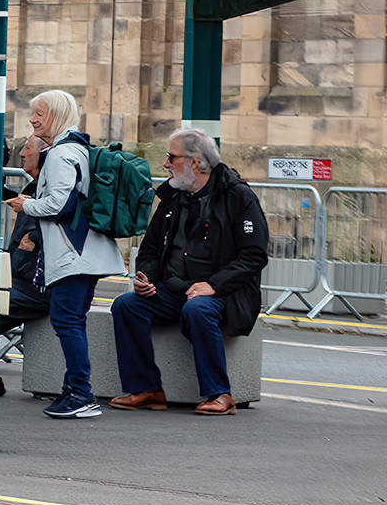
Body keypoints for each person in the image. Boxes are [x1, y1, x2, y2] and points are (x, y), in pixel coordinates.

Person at [112, 127, 270, 414]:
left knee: (197, 309)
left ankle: (220, 394)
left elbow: (255, 254)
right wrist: (145, 277)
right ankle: (147, 388)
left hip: (226, 293)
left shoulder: (237, 196)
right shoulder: (175, 197)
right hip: (174, 288)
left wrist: (214, 286)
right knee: (126, 305)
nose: (166, 164)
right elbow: (148, 249)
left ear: (195, 162)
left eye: (172, 157)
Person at [10, 88, 131, 420]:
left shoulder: (63, 154)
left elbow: (60, 205)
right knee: (72, 321)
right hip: (83, 255)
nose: (33, 119)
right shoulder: (75, 148)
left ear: (58, 115)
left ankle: (80, 393)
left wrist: (25, 204)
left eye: (40, 113)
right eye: (33, 112)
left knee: (67, 322)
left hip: (73, 256)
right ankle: (75, 389)